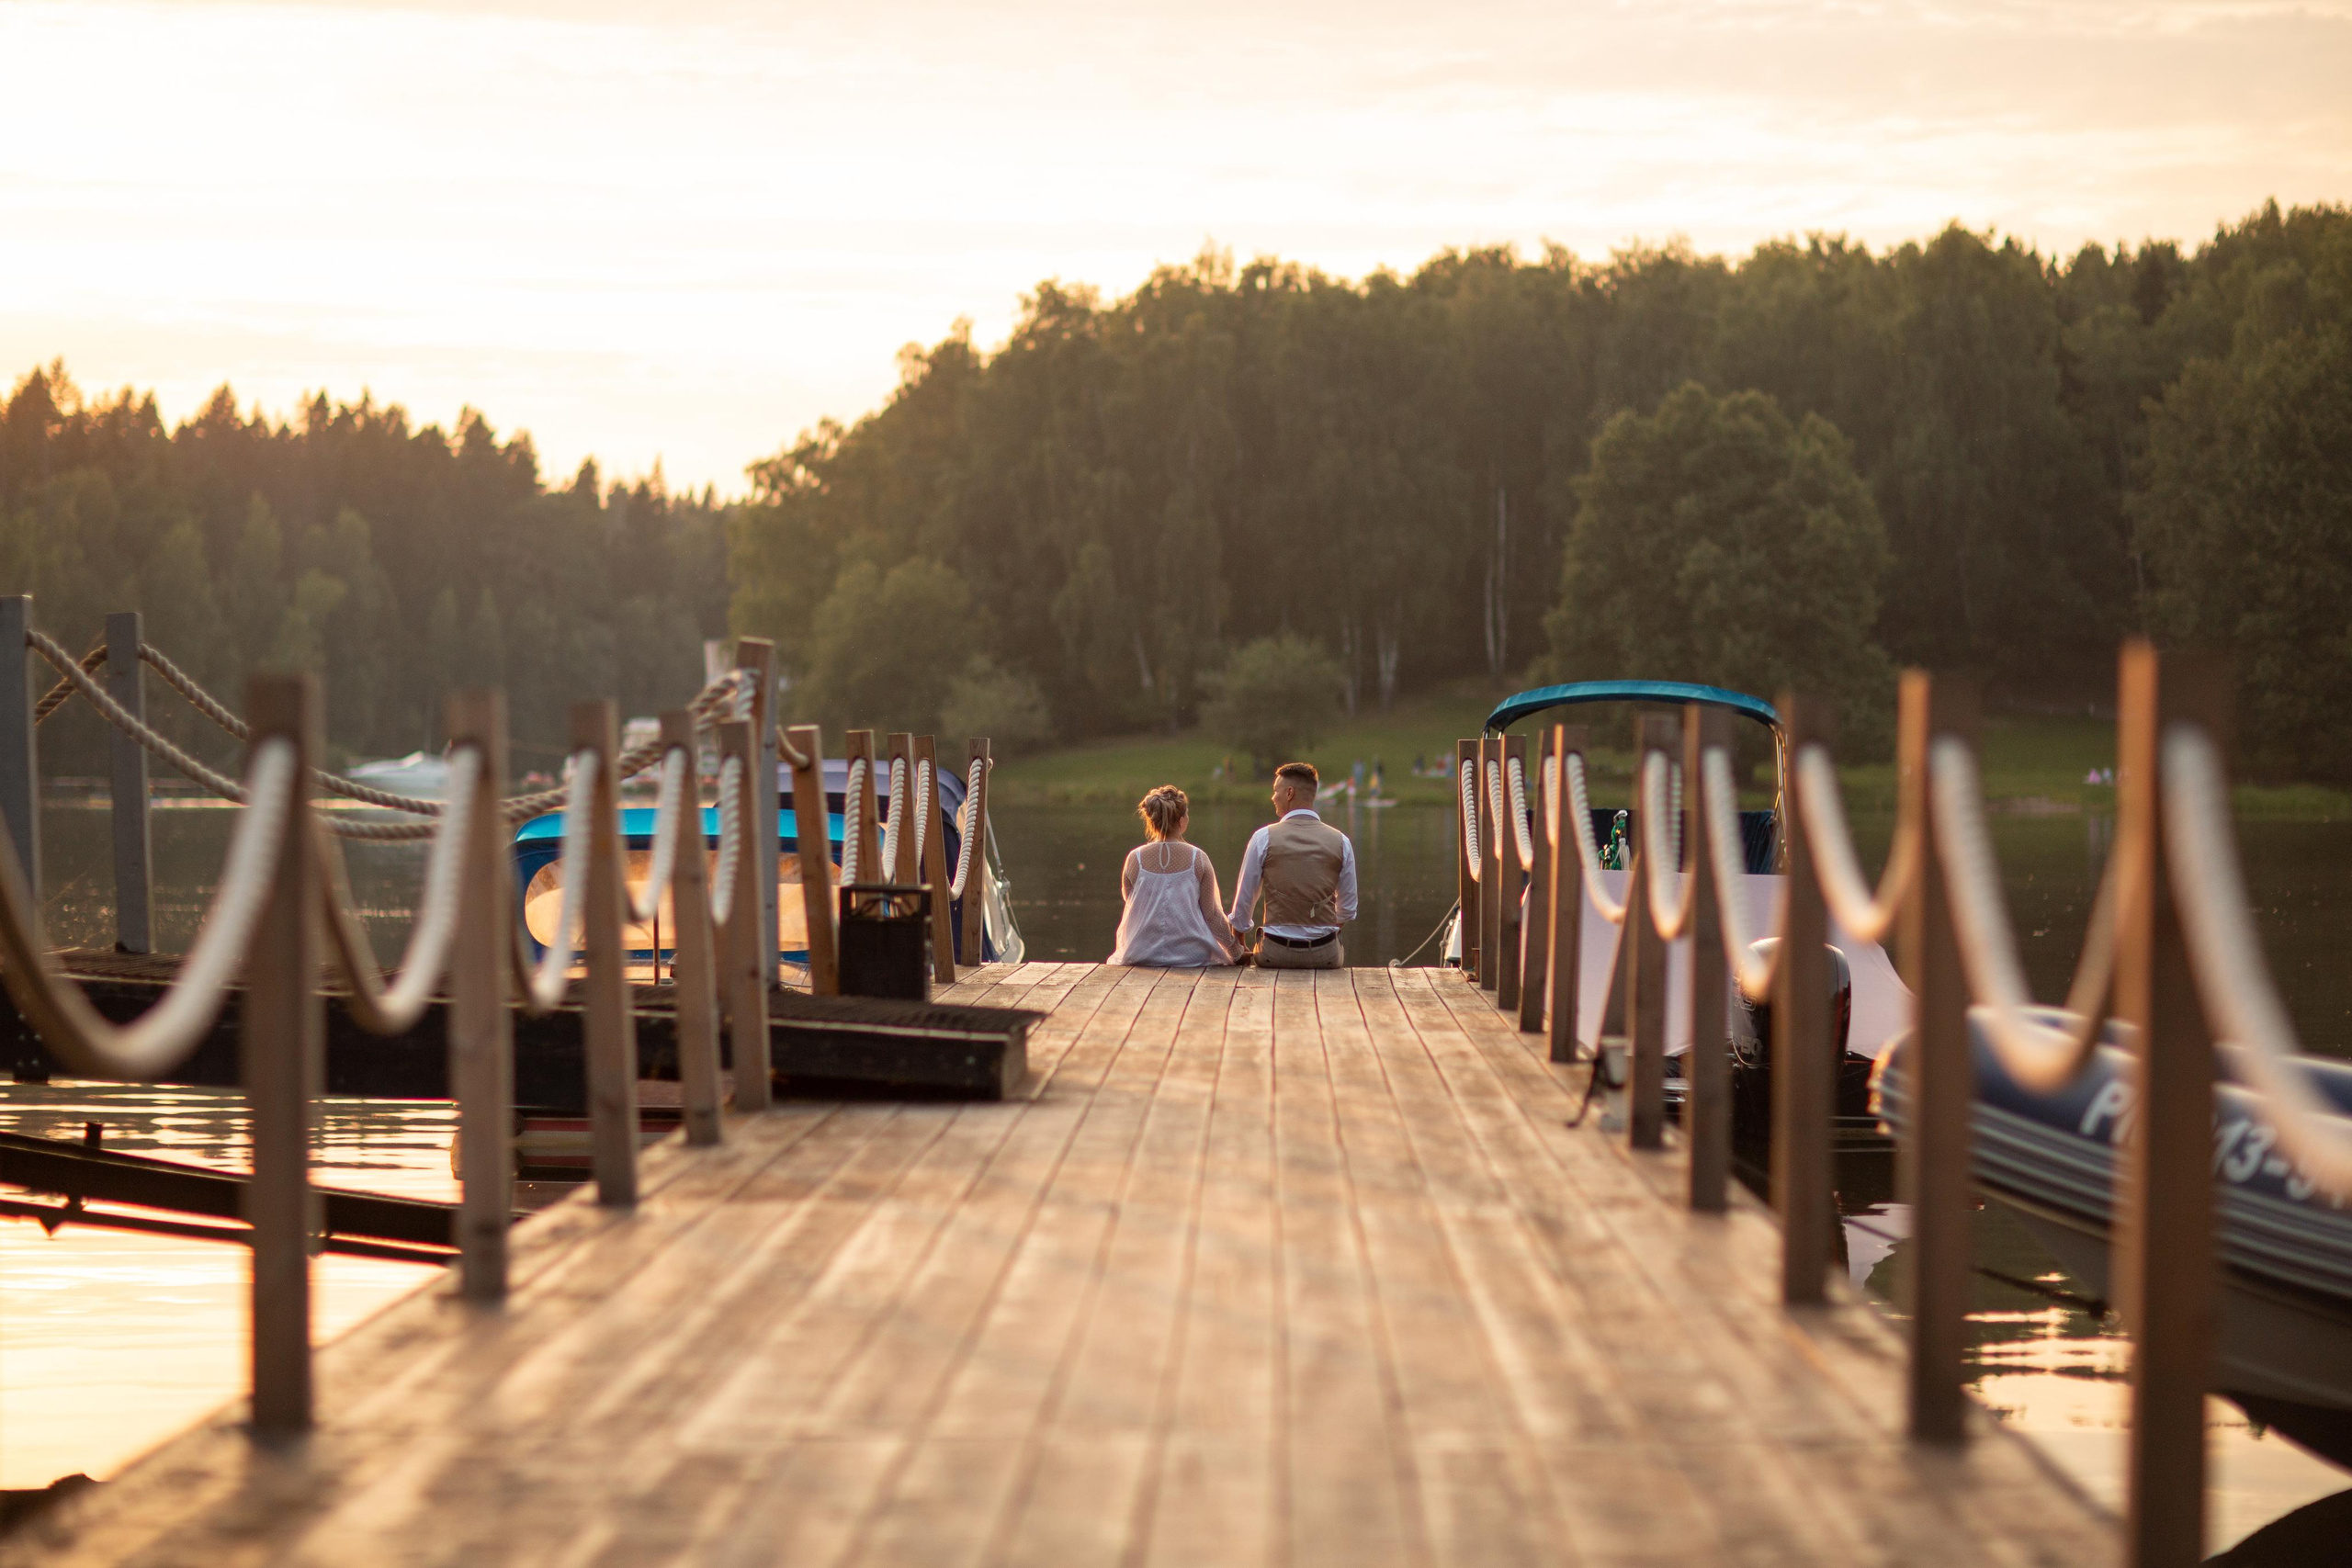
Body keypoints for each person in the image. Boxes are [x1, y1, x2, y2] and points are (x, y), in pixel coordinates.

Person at [1228, 761, 1357, 968]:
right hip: (1326, 957)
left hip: (1274, 954)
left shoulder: (1263, 838)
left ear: (1289, 793)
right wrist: (1319, 935)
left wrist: (1240, 943)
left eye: (1275, 790)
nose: (1273, 797)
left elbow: (1244, 902)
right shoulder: (1341, 841)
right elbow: (1348, 909)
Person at [1109, 784, 1240, 967]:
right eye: (1186, 814)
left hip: (1141, 953)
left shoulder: (1134, 859)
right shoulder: (1198, 858)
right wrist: (1235, 950)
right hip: (1191, 956)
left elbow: (1132, 903)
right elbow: (1211, 915)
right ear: (1181, 821)